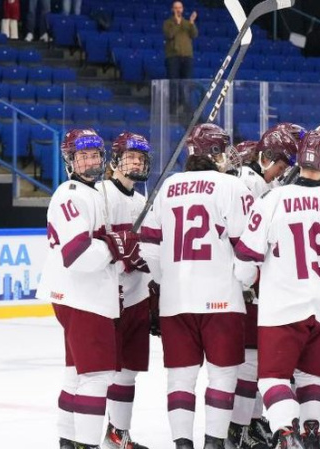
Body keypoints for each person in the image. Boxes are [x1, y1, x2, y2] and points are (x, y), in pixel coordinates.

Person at [234, 130, 320, 449]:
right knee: (312, 378)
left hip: (282, 307)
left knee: (272, 379)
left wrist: (244, 283)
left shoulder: (272, 200)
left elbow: (246, 262)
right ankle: (312, 432)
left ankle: (286, 432)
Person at [140, 123, 252, 449]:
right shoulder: (231, 186)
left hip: (176, 301)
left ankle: (182, 445)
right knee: (222, 375)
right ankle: (214, 444)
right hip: (222, 299)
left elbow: (148, 247)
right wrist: (245, 280)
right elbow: (246, 249)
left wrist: (167, 281)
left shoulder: (168, 186)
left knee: (180, 379)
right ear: (213, 153)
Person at [36, 129, 141, 449]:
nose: (90, 160)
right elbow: (78, 255)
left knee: (76, 374)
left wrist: (119, 250)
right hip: (83, 298)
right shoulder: (71, 194)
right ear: (69, 160)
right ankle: (86, 444)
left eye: (94, 154)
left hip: (81, 296)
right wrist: (116, 247)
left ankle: (68, 441)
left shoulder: (92, 192)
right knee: (97, 377)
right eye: (82, 155)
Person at [228, 129, 300, 449]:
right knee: (249, 362)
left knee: (256, 362)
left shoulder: (262, 183)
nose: (282, 173)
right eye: (281, 165)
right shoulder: (251, 182)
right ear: (265, 158)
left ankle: (251, 422)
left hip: (253, 282)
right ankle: (238, 428)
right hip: (245, 283)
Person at [97, 132, 154, 449]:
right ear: (116, 161)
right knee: (100, 373)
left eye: (141, 158)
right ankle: (84, 437)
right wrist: (119, 250)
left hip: (137, 298)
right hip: (108, 298)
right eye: (130, 157)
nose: (136, 162)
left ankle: (118, 433)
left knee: (129, 372)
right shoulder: (102, 194)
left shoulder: (143, 201)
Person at [164, 1, 198, 80]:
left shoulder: (187, 23)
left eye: (179, 8)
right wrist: (177, 23)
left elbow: (194, 34)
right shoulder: (167, 23)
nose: (178, 10)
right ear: (172, 9)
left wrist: (192, 22)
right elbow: (169, 35)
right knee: (173, 82)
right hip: (173, 57)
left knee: (186, 82)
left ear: (182, 9)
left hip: (187, 56)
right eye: (176, 8)